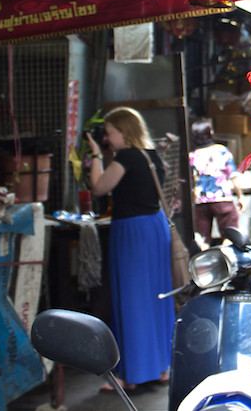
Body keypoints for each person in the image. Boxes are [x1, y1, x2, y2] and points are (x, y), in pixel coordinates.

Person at [86, 106, 174, 391]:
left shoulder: (126, 157)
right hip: (155, 227)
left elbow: (99, 187)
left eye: (110, 132)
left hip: (133, 231)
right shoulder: (152, 156)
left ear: (123, 132)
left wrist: (96, 155)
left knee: (131, 299)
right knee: (157, 297)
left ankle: (130, 375)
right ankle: (161, 367)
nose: (107, 138)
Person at [189, 118, 243, 248]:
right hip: (222, 199)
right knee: (230, 237)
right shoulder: (221, 151)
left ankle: (203, 265)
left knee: (202, 239)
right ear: (211, 132)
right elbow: (233, 176)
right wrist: (240, 196)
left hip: (201, 202)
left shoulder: (192, 156)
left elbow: (189, 181)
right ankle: (228, 262)